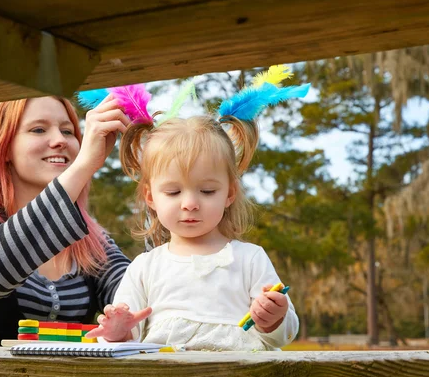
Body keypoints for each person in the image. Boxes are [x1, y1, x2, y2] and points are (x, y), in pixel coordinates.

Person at [84, 71, 307, 350]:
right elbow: (129, 337)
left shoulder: (250, 259)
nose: (190, 203)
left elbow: (284, 335)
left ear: (230, 194)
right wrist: (117, 331)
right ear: (150, 196)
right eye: (174, 192)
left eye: (207, 191)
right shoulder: (145, 267)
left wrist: (274, 317)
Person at [0, 95, 132, 346]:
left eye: (68, 131)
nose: (60, 140)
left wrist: (158, 171)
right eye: (38, 129)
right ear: (3, 146)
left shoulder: (94, 239)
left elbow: (138, 296)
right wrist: (82, 168)